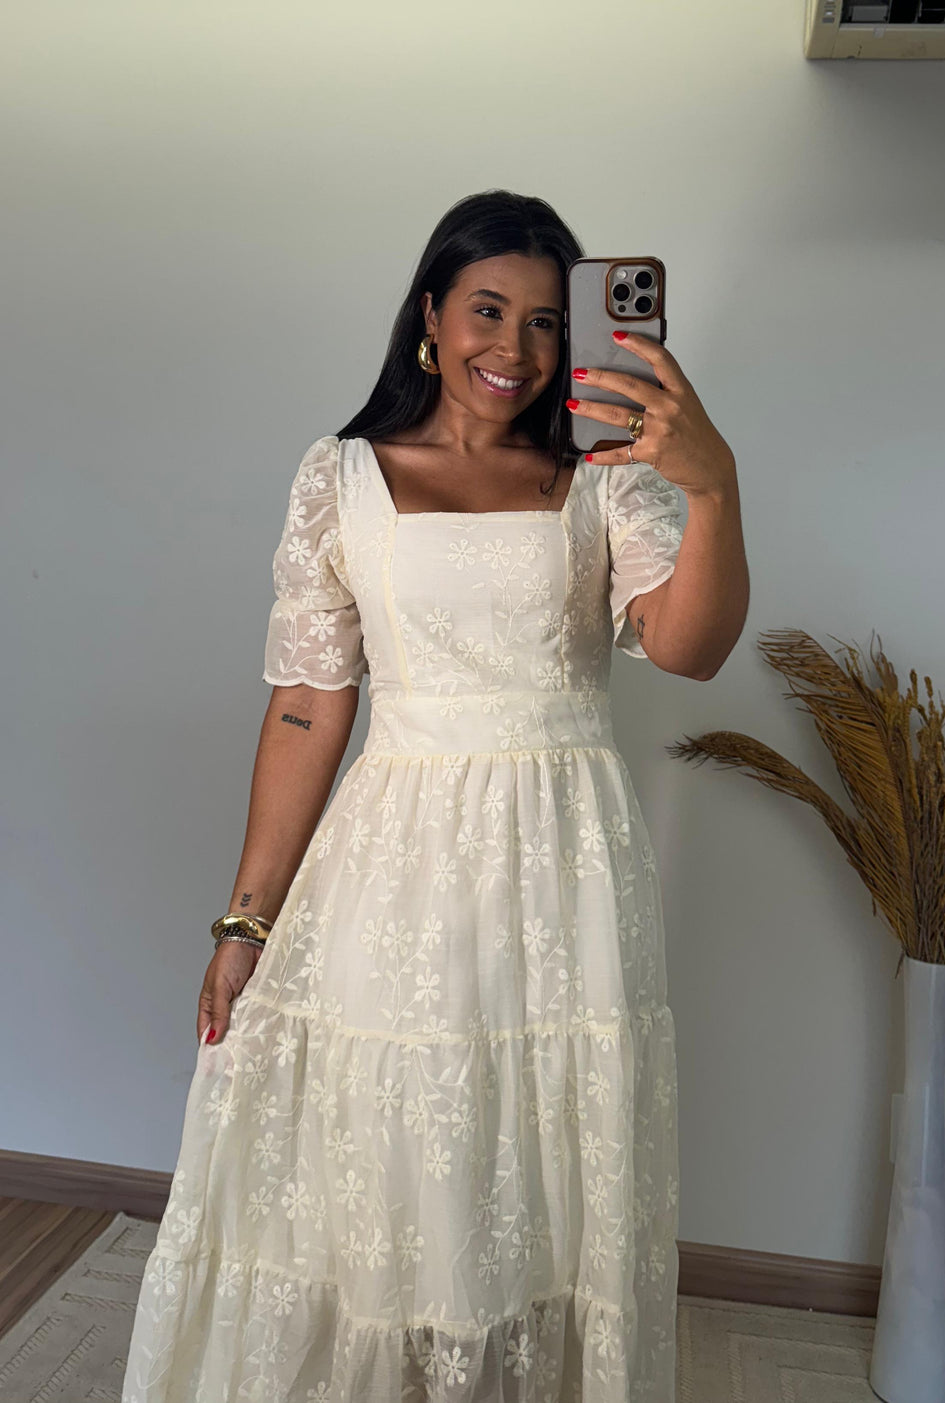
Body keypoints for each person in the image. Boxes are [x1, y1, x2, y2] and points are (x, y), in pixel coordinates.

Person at [122, 189, 748, 1403]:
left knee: (534, 1158)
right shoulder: (341, 476)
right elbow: (308, 705)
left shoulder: (604, 475)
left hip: (563, 864)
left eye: (546, 321)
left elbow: (691, 646)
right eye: (487, 310)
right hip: (394, 860)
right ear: (429, 314)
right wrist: (245, 920)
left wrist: (712, 487)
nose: (514, 347)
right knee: (391, 1151)